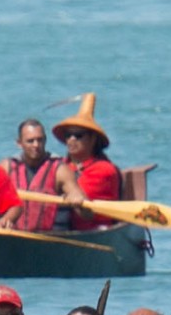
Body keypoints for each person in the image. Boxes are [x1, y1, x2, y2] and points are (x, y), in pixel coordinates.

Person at [50, 93, 124, 230]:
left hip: (93, 231)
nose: (71, 139)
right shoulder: (61, 165)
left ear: (93, 139)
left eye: (78, 135)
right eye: (68, 135)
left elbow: (76, 193)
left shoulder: (104, 169)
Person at [1, 119, 62, 232]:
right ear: (19, 143)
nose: (36, 145)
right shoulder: (7, 167)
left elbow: (76, 193)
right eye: (30, 141)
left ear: (45, 140)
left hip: (47, 239)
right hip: (12, 237)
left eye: (40, 140)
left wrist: (75, 197)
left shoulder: (59, 168)